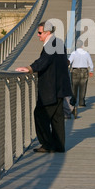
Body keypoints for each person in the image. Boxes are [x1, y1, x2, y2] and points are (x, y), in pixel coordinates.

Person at [15, 21, 72, 153]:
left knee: (40, 114)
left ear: (47, 33)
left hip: (51, 88)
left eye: (40, 33)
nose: (38, 35)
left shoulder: (51, 44)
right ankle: (59, 146)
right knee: (57, 118)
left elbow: (44, 60)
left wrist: (29, 68)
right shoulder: (58, 43)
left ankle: (47, 144)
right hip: (59, 88)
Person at [68, 39, 94, 110]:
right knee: (83, 86)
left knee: (74, 86)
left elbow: (69, 61)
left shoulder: (73, 53)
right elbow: (90, 63)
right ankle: (81, 102)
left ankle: (73, 100)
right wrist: (91, 70)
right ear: (82, 46)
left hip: (75, 70)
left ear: (76, 46)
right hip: (84, 70)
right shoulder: (86, 53)